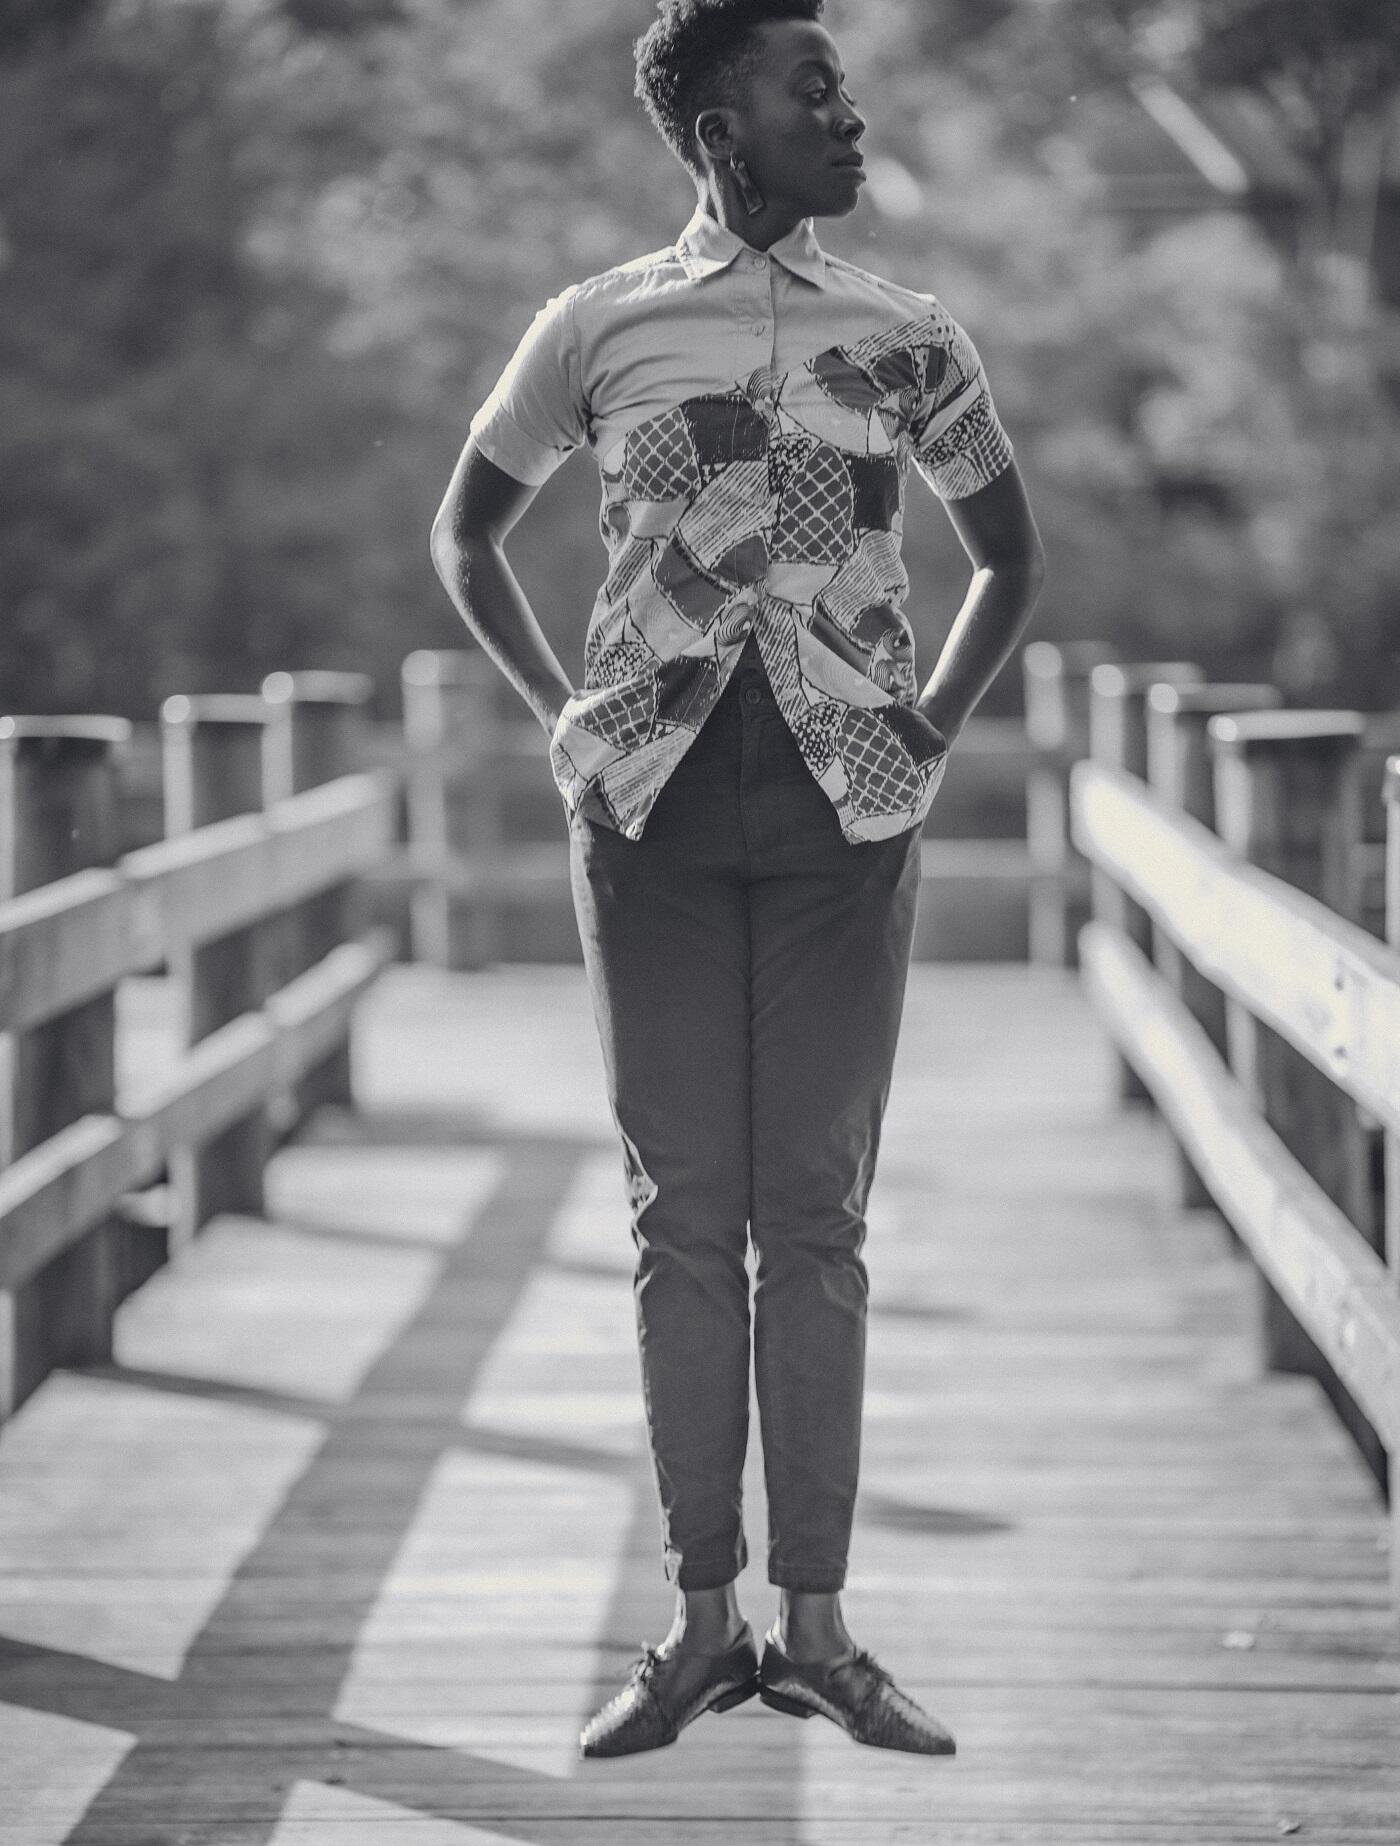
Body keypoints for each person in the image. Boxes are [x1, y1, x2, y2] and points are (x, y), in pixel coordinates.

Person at [429, 0, 1044, 1762]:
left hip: (851, 821)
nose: (846, 114)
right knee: (681, 1220)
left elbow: (1009, 555)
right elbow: (465, 530)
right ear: (716, 130)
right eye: (810, 89)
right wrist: (567, 717)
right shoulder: (599, 325)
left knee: (819, 1222)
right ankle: (703, 1622)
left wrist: (923, 735)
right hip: (653, 821)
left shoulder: (909, 335)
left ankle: (827, 1631)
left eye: (843, 86)